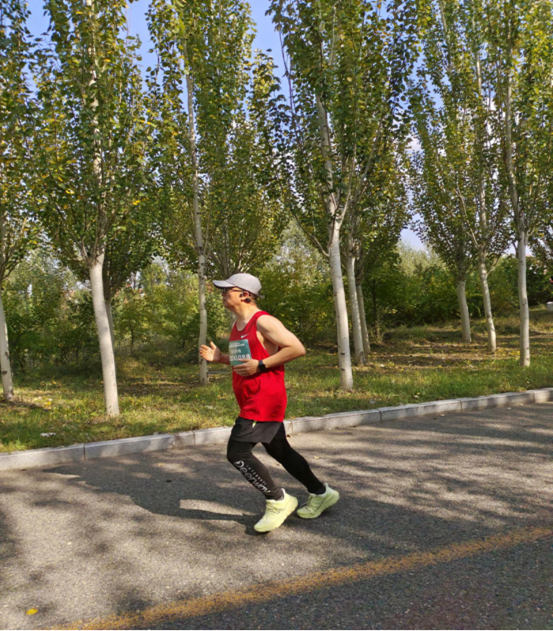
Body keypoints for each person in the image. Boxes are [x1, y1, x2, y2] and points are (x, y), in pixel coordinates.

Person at [199, 273, 339, 533]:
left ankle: (278, 500)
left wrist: (262, 365)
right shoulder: (238, 325)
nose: (223, 294)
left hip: (264, 399)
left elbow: (296, 348)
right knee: (279, 450)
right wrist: (220, 358)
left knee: (237, 453)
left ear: (245, 295)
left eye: (227, 290)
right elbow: (245, 361)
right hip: (250, 398)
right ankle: (321, 493)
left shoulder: (263, 321)